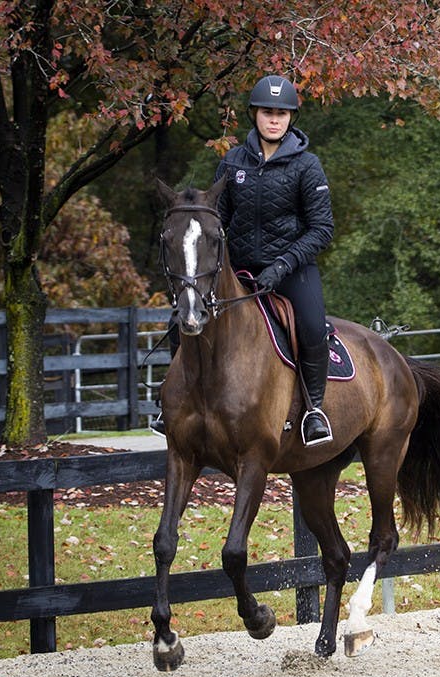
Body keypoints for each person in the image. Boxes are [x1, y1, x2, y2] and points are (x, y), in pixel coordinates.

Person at [154, 74, 335, 445]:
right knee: (183, 318)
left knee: (314, 327)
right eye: (268, 112)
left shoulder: (307, 166)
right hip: (235, 268)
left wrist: (283, 264)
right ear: (254, 114)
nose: (274, 119)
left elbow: (322, 228)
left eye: (282, 114)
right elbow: (216, 220)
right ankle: (172, 404)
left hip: (291, 270)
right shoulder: (232, 162)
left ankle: (314, 410)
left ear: (290, 119)